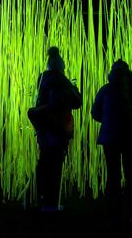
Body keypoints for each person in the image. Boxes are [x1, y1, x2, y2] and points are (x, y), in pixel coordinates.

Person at [91, 59, 132, 228]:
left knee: (113, 176)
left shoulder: (105, 90)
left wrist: (108, 121)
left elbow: (95, 113)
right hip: (131, 137)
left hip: (110, 138)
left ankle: (113, 215)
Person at [35, 46, 82, 211]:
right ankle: (51, 202)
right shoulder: (62, 81)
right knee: (55, 164)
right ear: (61, 67)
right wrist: (74, 87)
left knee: (44, 161)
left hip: (43, 128)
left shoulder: (41, 79)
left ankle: (42, 198)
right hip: (58, 128)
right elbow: (77, 102)